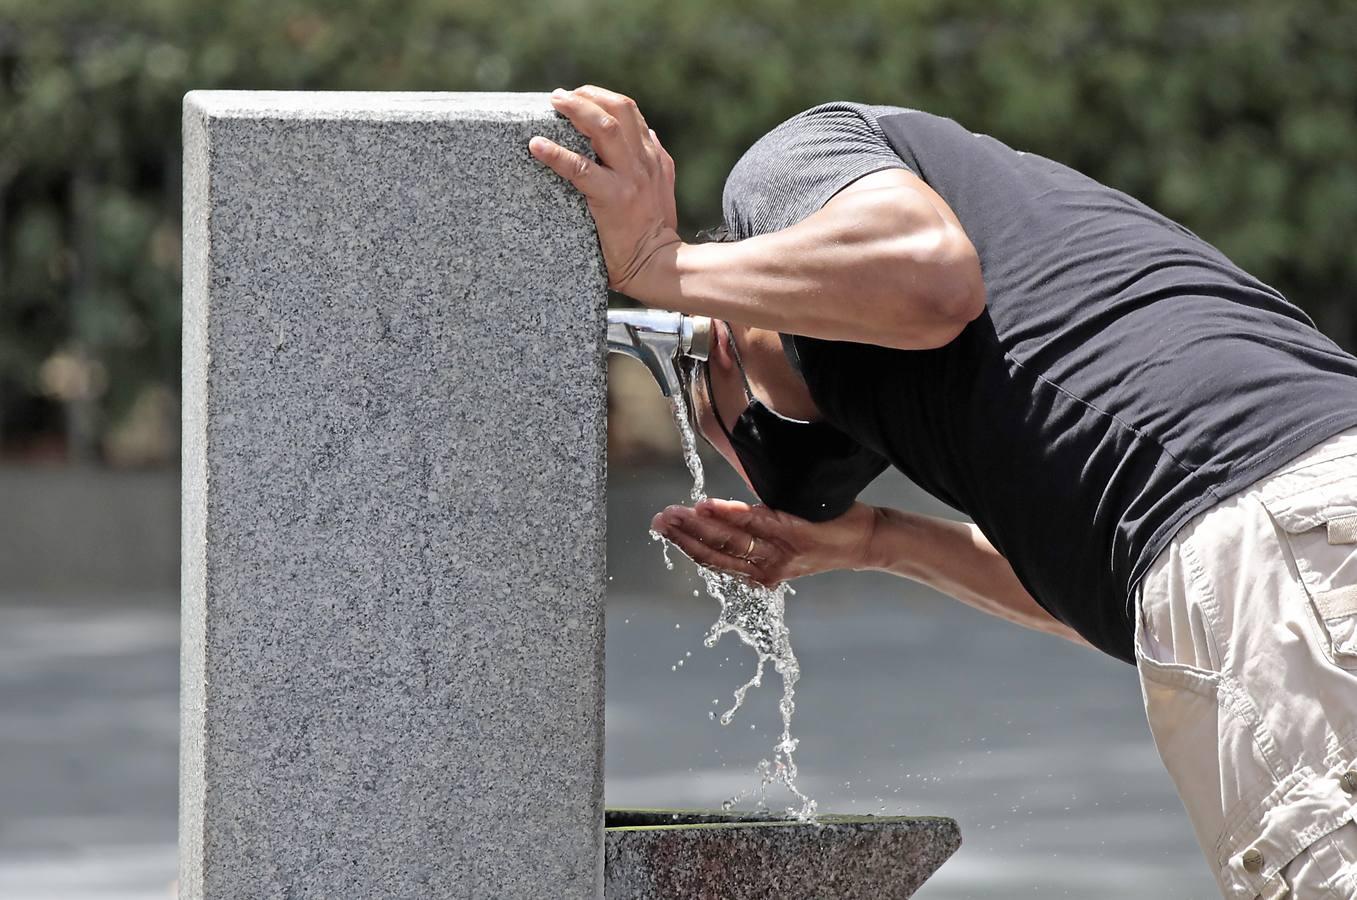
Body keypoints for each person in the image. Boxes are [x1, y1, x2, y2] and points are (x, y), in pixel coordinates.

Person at [528, 85, 1357, 898]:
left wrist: (662, 267)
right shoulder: (1011, 369)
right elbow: (1127, 602)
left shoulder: (793, 163)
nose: (747, 472)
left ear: (727, 329)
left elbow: (930, 280)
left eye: (710, 422)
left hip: (1293, 522)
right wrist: (882, 540)